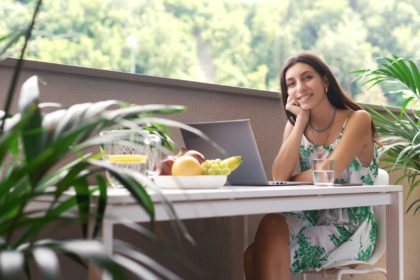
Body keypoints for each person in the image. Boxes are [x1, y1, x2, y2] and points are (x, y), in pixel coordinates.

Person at [243, 52, 379, 279]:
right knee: (269, 226)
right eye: (291, 84)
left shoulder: (358, 119)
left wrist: (294, 178)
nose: (300, 88)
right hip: (311, 216)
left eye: (307, 78)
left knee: (255, 255)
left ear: (325, 82)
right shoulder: (296, 126)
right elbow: (278, 175)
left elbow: (328, 172)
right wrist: (300, 124)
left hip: (349, 226)